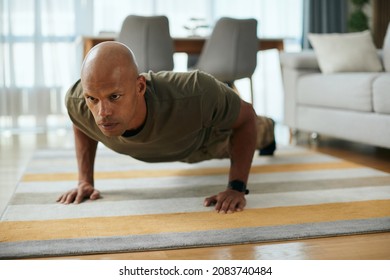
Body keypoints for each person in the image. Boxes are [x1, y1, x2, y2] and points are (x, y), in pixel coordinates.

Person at [57, 41, 275, 213]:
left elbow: (246, 117)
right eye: (92, 99)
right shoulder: (78, 102)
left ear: (140, 86)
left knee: (259, 129)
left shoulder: (196, 92)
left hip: (207, 138)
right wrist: (85, 181)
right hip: (168, 143)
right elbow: (81, 121)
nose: (102, 112)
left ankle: (269, 129)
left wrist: (236, 187)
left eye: (114, 96)